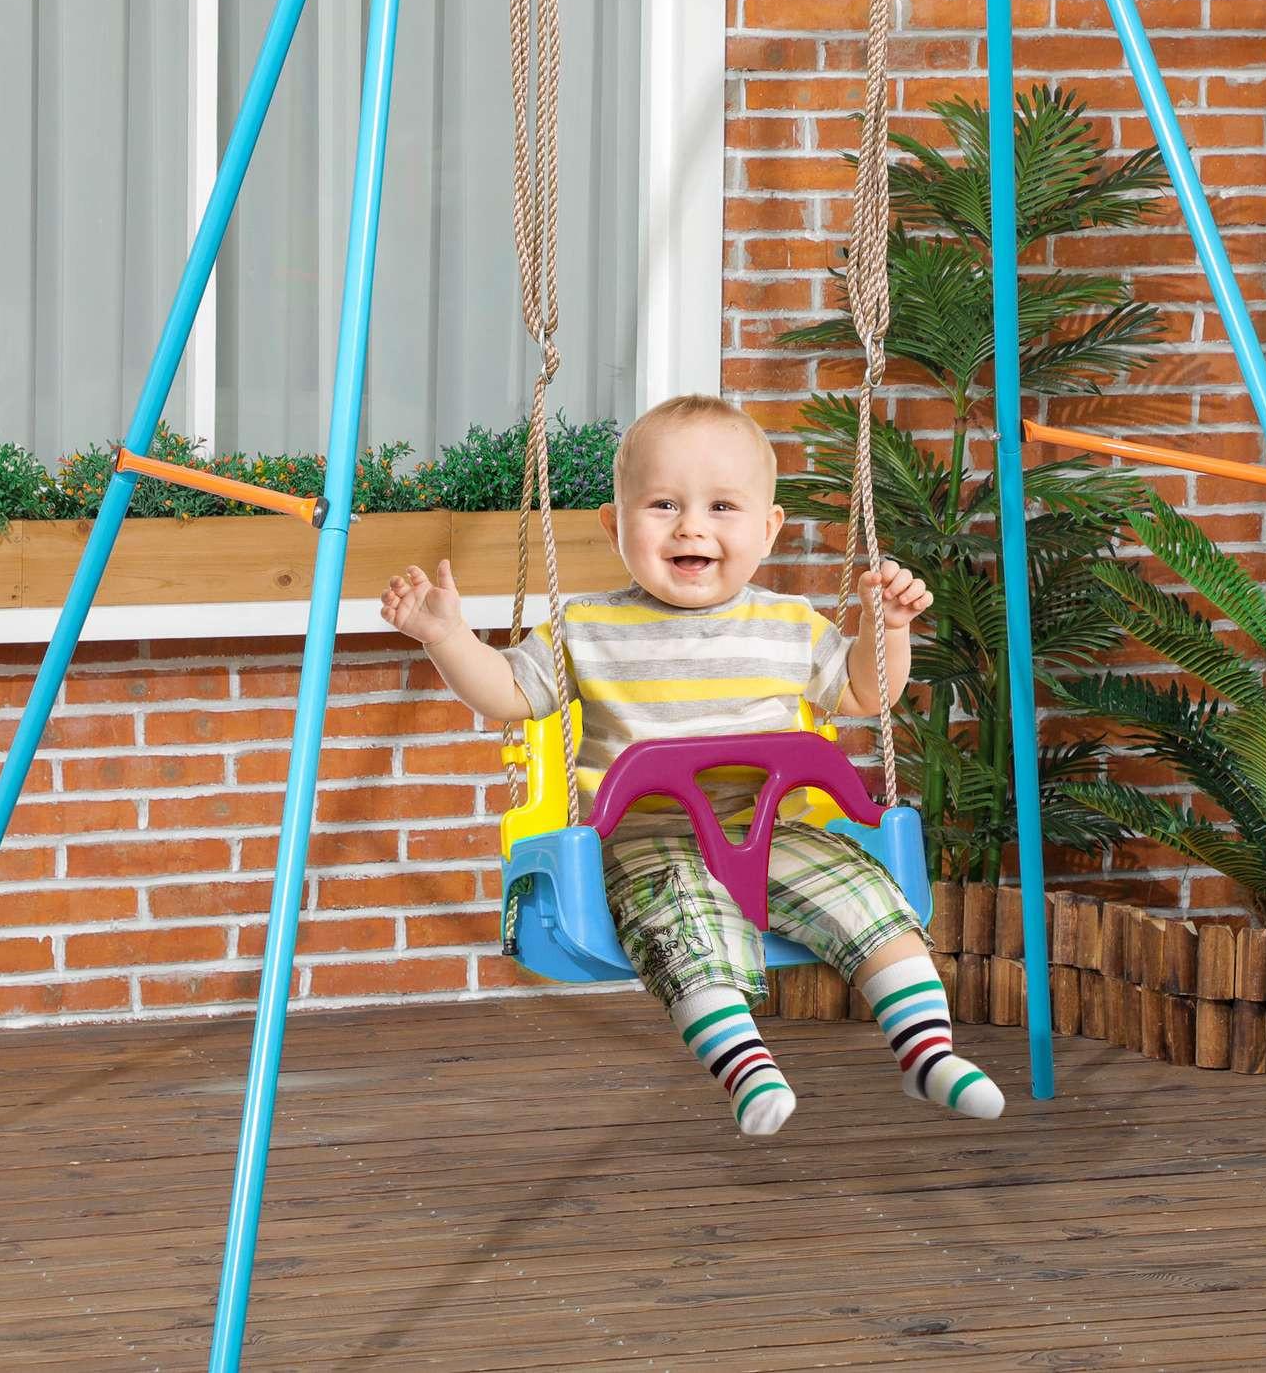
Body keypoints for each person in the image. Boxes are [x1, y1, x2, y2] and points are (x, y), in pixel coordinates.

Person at [380, 395, 1005, 1138]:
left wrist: (887, 627)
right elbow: (508, 694)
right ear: (616, 526)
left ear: (768, 529)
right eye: (664, 504)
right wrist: (448, 638)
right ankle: (746, 1067)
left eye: (722, 506)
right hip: (653, 840)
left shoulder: (789, 625)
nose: (692, 527)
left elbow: (869, 692)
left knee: (871, 900)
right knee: (687, 928)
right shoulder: (586, 627)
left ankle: (928, 1054)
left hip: (779, 831)